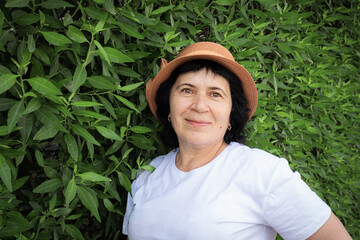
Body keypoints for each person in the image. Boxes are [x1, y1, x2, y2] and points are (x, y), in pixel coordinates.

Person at [122, 42, 352, 239]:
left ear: (231, 114)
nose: (200, 106)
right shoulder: (147, 175)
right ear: (169, 106)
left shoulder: (261, 172)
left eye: (215, 94)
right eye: (187, 90)